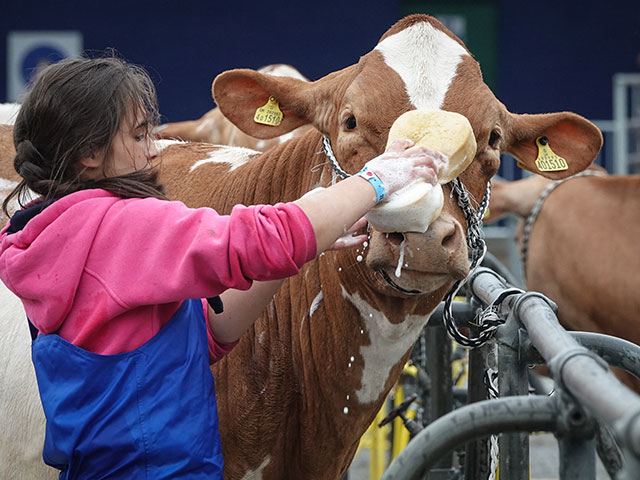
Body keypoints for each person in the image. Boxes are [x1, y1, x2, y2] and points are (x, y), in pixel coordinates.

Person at [0, 56, 441, 479]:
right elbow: (256, 241)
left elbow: (199, 337)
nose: (156, 152)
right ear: (88, 154)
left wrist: (302, 246)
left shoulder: (58, 233)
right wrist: (376, 180)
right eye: (138, 137)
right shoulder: (119, 225)